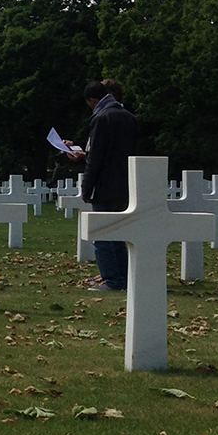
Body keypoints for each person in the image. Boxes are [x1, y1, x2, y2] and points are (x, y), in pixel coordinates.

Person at [62, 79, 138, 291]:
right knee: (117, 235)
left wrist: (86, 188)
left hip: (104, 185)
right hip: (124, 183)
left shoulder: (102, 118)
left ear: (94, 100)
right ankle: (124, 278)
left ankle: (113, 281)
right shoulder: (129, 117)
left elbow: (96, 157)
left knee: (102, 235)